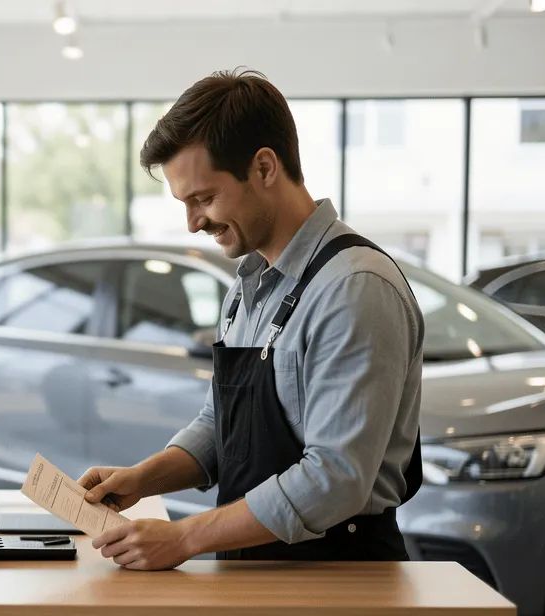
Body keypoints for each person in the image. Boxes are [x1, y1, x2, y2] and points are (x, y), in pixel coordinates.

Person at [79, 69, 423, 570]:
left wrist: (182, 538)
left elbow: (335, 477)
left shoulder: (353, 289)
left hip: (339, 577)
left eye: (204, 198)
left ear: (264, 167)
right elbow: (223, 426)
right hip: (253, 567)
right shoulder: (248, 287)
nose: (193, 222)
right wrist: (142, 478)